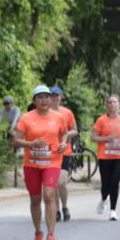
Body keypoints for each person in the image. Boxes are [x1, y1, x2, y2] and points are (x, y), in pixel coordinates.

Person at [12, 85, 69, 240]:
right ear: (34, 101)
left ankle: (51, 234)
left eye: (47, 97)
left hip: (52, 161)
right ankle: (38, 232)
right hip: (32, 163)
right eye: (40, 97)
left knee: (49, 195)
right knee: (35, 199)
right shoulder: (26, 118)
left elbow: (64, 133)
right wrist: (31, 144)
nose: (44, 100)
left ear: (51, 99)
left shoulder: (58, 117)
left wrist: (63, 144)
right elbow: (16, 140)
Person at [92, 94, 120, 221]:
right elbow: (93, 137)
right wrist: (107, 138)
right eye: (110, 102)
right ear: (106, 105)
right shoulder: (101, 120)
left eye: (115, 102)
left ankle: (113, 211)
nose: (112, 104)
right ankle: (104, 198)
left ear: (119, 105)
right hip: (104, 156)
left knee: (115, 182)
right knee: (105, 184)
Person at [50, 86, 77, 222]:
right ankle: (56, 210)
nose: (55, 98)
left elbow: (75, 130)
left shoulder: (67, 113)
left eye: (57, 96)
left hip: (64, 151)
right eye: (52, 96)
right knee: (53, 184)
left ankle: (65, 206)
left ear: (61, 98)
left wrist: (65, 134)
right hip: (50, 153)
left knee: (61, 182)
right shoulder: (45, 113)